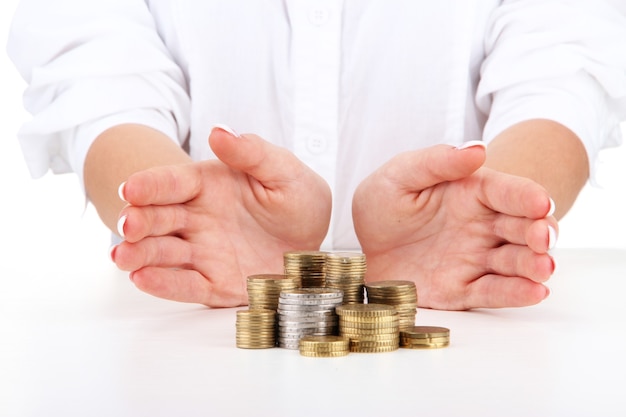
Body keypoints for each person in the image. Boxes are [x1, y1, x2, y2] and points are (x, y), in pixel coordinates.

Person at [7, 0, 626, 310]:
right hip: (189, 346)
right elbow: (93, 70)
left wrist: (495, 207)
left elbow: (565, 65)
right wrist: (172, 208)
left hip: (472, 350)